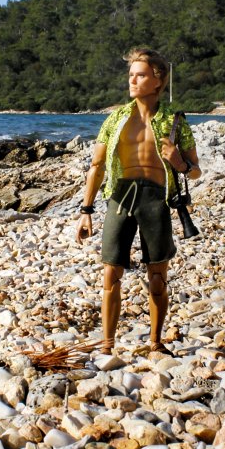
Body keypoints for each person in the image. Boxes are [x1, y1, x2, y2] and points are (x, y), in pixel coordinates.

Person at [76, 47, 201, 355]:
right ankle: (107, 346)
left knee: (158, 276)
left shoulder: (175, 121)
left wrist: (178, 161)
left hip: (155, 199)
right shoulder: (116, 119)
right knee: (110, 272)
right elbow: (97, 166)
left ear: (158, 81)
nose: (132, 80)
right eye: (131, 74)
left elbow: (195, 171)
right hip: (120, 196)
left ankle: (156, 344)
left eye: (140, 75)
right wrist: (86, 210)